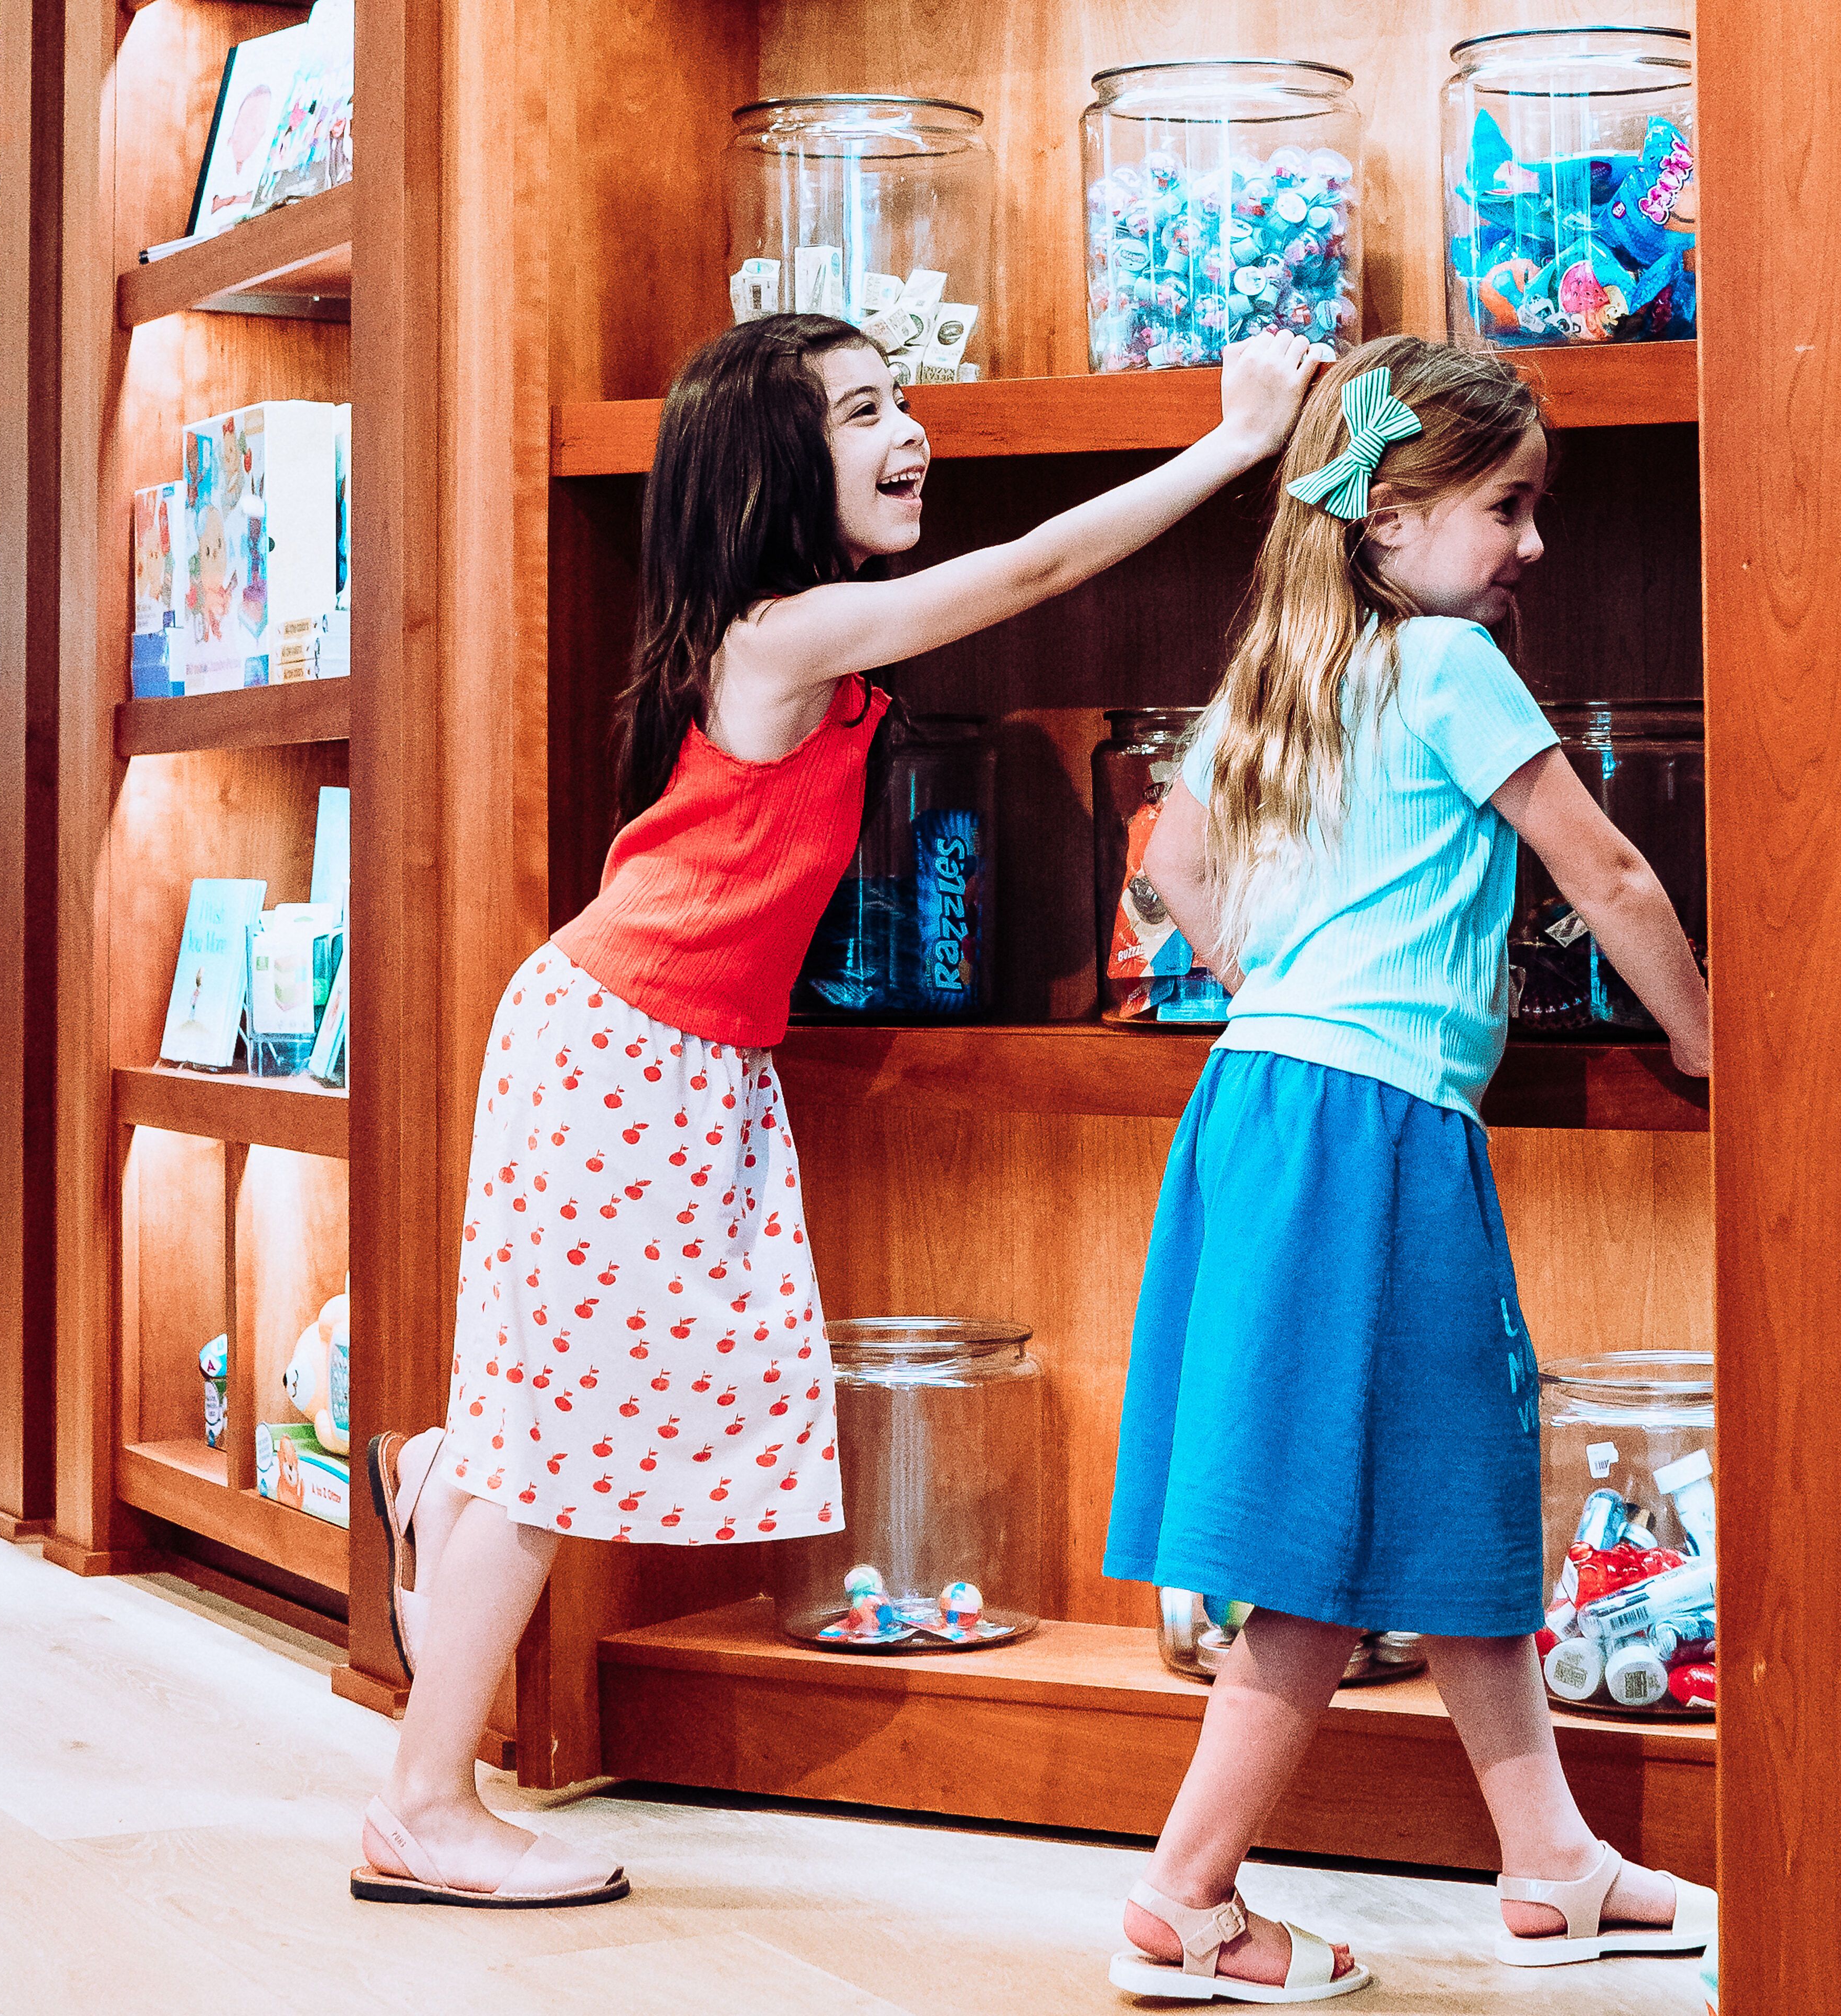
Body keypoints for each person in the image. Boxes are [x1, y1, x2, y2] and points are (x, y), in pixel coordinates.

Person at [349, 312, 1317, 1907]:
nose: (907, 431)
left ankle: (442, 1476)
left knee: (549, 1420)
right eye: (862, 410)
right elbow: (1020, 576)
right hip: (626, 1049)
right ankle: (422, 1804)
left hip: (647, 1049)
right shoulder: (781, 634)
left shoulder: (778, 643)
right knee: (559, 1455)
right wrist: (1229, 446)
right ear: (770, 472)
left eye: (903, 398)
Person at [1102, 334, 1717, 2000]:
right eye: (1509, 506)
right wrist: (1710, 1042)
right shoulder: (1446, 668)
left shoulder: (1282, 678)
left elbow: (1173, 878)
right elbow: (1610, 872)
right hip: (1364, 1130)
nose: (1533, 545)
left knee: (1450, 1498)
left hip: (1274, 1105)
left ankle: (1552, 1860)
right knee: (1319, 1545)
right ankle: (1188, 1901)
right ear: (1389, 512)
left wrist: (1286, 977)